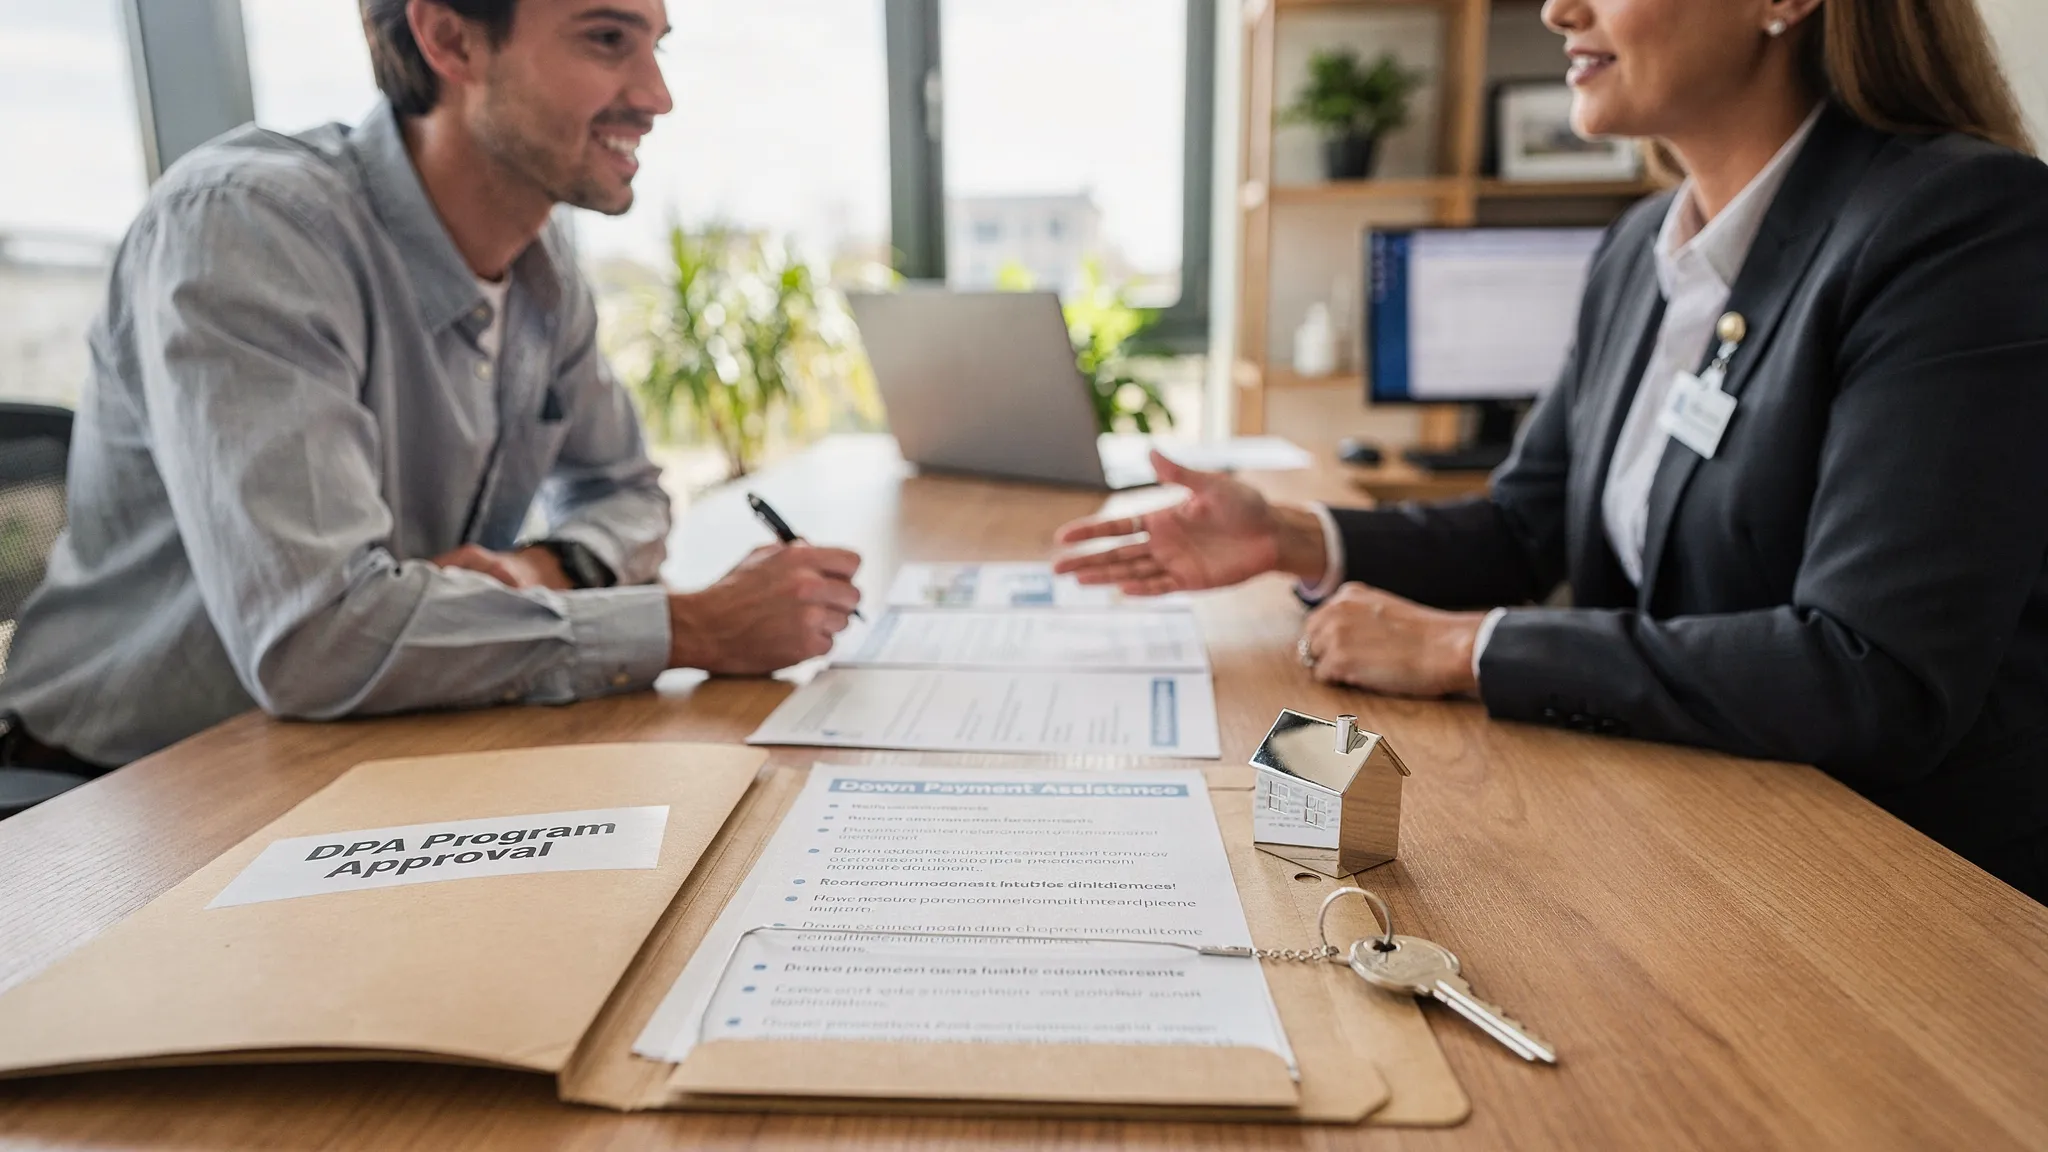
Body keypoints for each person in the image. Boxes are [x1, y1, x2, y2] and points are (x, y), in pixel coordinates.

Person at [1057, 0, 2048, 901]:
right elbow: (1524, 525)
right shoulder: (1635, 252)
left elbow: (1868, 671)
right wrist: (1285, 536)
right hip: (1696, 825)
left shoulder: (1958, 226)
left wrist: (1463, 647)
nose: (1556, 10)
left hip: (1902, 888)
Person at [0, 0, 862, 777]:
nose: (657, 94)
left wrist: (540, 569)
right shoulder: (249, 228)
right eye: (607, 40)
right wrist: (692, 627)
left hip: (375, 743)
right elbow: (320, 639)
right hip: (132, 785)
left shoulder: (542, 262)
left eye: (656, 45)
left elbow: (626, 488)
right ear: (449, 38)